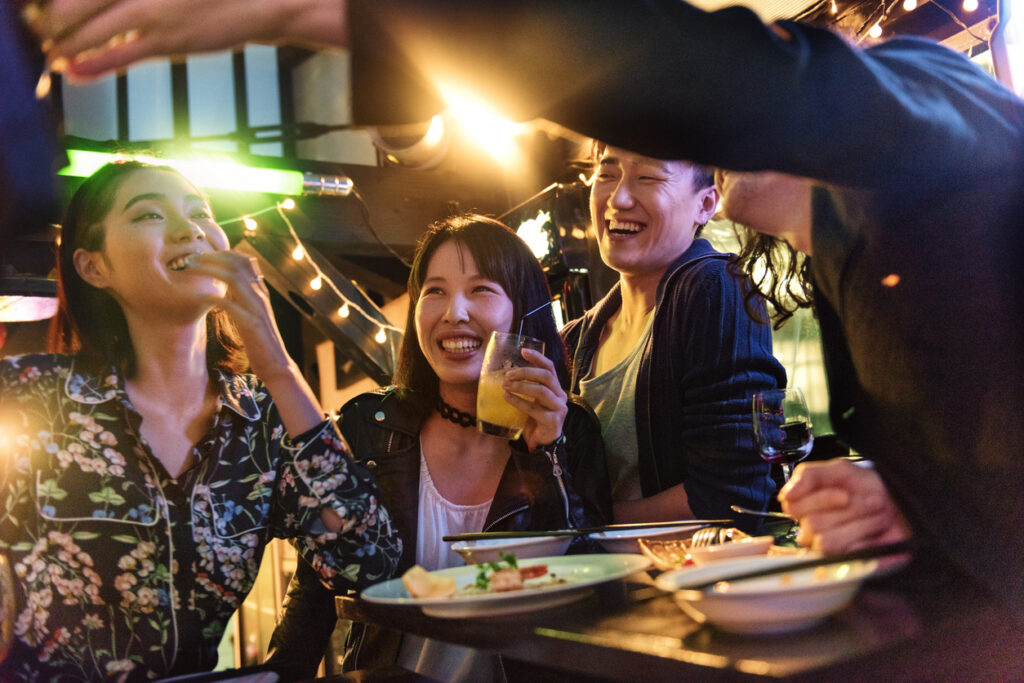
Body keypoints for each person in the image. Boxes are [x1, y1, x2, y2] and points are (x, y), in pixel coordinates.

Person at [24, 0, 1024, 637]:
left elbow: (716, 71)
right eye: (606, 166)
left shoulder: (921, 108)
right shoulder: (849, 246)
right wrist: (912, 494)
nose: (620, 182)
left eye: (654, 153)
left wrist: (334, 11)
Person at [0, 160, 402, 681]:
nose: (189, 228)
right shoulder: (31, 395)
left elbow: (368, 566)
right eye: (148, 214)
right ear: (94, 267)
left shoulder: (261, 419)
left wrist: (279, 369)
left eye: (200, 214)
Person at [265, 214, 610, 680]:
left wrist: (544, 453)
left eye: (481, 289)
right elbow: (316, 585)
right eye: (435, 291)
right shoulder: (369, 426)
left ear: (525, 311)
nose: (455, 313)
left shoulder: (573, 430)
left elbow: (588, 592)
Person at [561, 142, 785, 525]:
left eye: (647, 177)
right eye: (606, 175)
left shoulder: (716, 287)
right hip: (596, 579)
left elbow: (732, 497)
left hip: (699, 577)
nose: (619, 198)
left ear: (706, 204)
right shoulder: (574, 339)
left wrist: (586, 524)